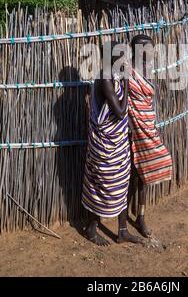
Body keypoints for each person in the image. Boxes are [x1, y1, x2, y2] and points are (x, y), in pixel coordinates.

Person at [82, 42, 141, 246]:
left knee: (122, 182)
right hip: (105, 144)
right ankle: (91, 228)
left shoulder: (113, 75)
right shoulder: (106, 79)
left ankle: (122, 231)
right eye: (122, 57)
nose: (126, 61)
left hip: (118, 142)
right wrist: (125, 84)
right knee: (102, 183)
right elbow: (121, 111)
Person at [128, 35, 173, 237]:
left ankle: (141, 215)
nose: (153, 52)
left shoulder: (147, 70)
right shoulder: (126, 72)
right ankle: (123, 218)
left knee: (148, 169)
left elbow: (146, 100)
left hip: (147, 125)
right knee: (130, 173)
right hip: (131, 128)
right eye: (149, 49)